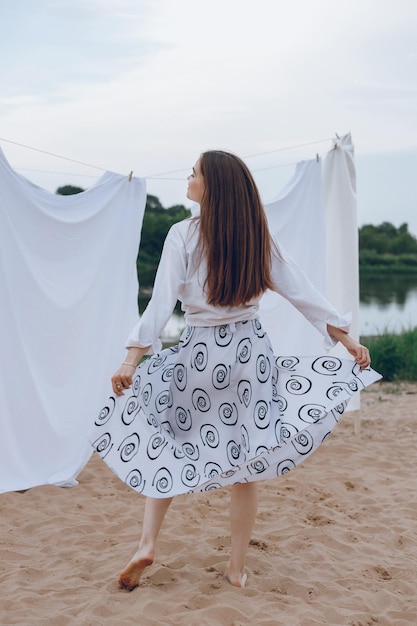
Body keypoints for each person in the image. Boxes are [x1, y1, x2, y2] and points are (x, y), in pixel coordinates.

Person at [90, 150, 380, 591]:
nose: (187, 178)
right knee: (247, 466)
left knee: (167, 445)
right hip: (248, 360)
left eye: (194, 173)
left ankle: (146, 543)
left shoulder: (182, 235)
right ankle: (235, 568)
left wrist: (132, 358)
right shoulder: (255, 236)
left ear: (212, 186)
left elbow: (159, 305)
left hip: (198, 359)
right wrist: (347, 339)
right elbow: (303, 292)